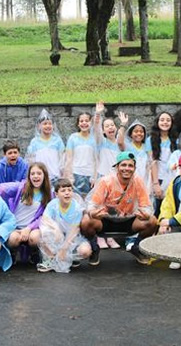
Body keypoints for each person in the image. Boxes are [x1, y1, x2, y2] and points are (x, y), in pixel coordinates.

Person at [82, 152, 156, 266]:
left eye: (130, 166)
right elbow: (92, 205)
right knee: (86, 221)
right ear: (117, 167)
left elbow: (146, 206)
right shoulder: (106, 182)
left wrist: (146, 214)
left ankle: (137, 248)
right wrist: (93, 213)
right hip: (106, 220)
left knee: (152, 221)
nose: (127, 168)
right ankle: (94, 249)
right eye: (123, 165)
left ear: (135, 168)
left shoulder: (138, 182)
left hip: (129, 220)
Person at [0, 162, 54, 262]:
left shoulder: (49, 193)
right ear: (29, 176)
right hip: (15, 227)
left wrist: (29, 228)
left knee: (35, 238)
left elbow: (44, 217)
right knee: (13, 239)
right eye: (32, 174)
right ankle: (13, 252)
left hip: (32, 228)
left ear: (44, 175)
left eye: (39, 173)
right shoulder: (20, 187)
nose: (35, 176)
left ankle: (34, 251)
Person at [37, 179, 92, 273]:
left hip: (72, 238)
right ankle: (50, 259)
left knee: (85, 251)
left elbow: (75, 229)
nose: (67, 193)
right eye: (63, 191)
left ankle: (71, 258)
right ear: (56, 194)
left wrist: (64, 248)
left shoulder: (76, 207)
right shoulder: (52, 204)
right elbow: (45, 218)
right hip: (57, 236)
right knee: (42, 233)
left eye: (69, 190)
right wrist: (56, 228)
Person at [93, 102, 121, 249]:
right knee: (101, 209)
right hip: (103, 179)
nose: (110, 127)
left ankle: (110, 237)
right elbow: (96, 130)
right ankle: (100, 237)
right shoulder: (101, 142)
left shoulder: (120, 143)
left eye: (112, 125)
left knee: (111, 210)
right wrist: (98, 114)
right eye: (107, 126)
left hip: (116, 181)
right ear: (103, 131)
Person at [149, 111, 178, 218]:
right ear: (157, 122)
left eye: (168, 120)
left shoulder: (176, 140)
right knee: (157, 210)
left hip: (172, 179)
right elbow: (153, 162)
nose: (165, 122)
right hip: (159, 179)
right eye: (162, 120)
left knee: (171, 209)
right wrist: (156, 184)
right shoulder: (151, 140)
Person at [26, 109, 65, 186]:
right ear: (39, 126)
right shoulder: (34, 142)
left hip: (55, 177)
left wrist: (63, 174)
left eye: (50, 124)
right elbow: (31, 161)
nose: (48, 126)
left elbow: (63, 159)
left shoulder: (57, 141)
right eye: (45, 124)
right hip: (40, 178)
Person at [64, 112, 97, 197]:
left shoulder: (94, 139)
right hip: (76, 174)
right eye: (81, 121)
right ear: (78, 124)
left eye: (87, 120)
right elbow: (69, 158)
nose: (84, 123)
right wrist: (69, 177)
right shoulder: (73, 138)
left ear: (91, 123)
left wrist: (95, 176)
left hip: (90, 176)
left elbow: (96, 159)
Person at [117, 112, 151, 187]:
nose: (139, 133)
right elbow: (119, 142)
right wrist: (123, 124)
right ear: (130, 134)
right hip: (129, 180)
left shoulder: (147, 146)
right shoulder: (128, 146)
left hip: (144, 181)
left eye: (141, 132)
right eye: (136, 131)